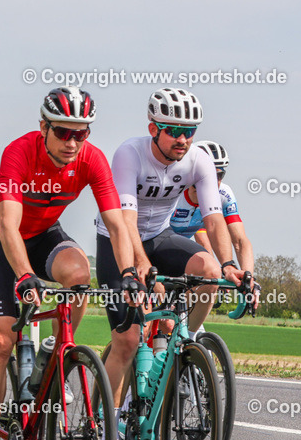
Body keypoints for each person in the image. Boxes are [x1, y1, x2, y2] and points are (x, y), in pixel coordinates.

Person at [0, 87, 135, 440]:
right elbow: (9, 225)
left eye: (81, 133)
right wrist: (24, 275)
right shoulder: (19, 152)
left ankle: (58, 349)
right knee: (1, 340)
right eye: (63, 132)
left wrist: (129, 273)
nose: (72, 142)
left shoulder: (92, 159)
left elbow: (117, 225)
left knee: (79, 275)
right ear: (43, 127)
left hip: (44, 233)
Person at [97, 88, 249, 413]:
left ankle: (185, 341)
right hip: (117, 240)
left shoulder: (199, 160)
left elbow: (214, 220)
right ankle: (105, 425)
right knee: (127, 340)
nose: (183, 139)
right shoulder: (130, 154)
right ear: (153, 128)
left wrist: (228, 264)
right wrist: (139, 263)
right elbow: (126, 221)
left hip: (159, 235)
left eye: (189, 132)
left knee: (209, 271)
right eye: (174, 131)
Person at [170, 140, 254, 273]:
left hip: (179, 247)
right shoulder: (175, 190)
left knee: (211, 272)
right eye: (208, 175)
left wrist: (248, 276)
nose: (215, 181)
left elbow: (239, 241)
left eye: (219, 175)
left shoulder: (224, 195)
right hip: (152, 244)